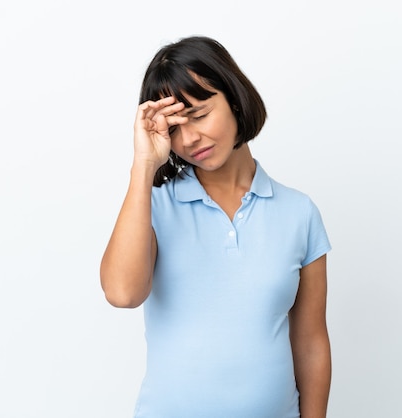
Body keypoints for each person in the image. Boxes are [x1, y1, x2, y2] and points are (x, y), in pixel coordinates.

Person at [100, 35, 332, 418]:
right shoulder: (152, 206)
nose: (189, 138)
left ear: (235, 99)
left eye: (200, 115)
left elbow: (310, 343)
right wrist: (143, 167)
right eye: (174, 128)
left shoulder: (299, 213)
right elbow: (122, 293)